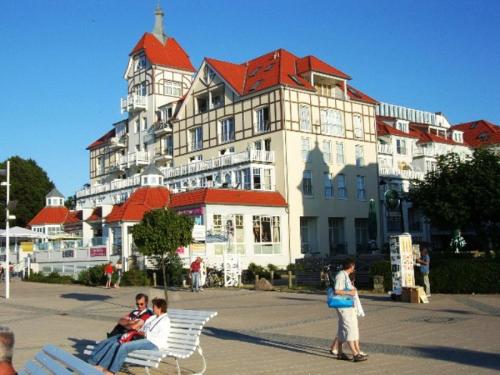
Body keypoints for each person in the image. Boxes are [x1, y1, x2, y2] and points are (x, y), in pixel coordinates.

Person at [89, 298, 170, 375]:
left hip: (153, 342)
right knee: (117, 343)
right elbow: (143, 327)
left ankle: (111, 372)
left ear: (160, 308)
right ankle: (101, 367)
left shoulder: (165, 320)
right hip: (142, 338)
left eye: (154, 307)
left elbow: (160, 336)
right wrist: (139, 329)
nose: (153, 308)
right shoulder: (153, 317)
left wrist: (145, 334)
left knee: (124, 347)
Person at [332, 259, 367, 362]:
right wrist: (350, 293)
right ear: (351, 266)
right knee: (349, 327)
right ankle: (355, 354)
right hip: (343, 305)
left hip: (348, 305)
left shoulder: (344, 275)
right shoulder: (341, 275)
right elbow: (336, 290)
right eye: (353, 266)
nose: (354, 269)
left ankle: (340, 352)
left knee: (343, 328)